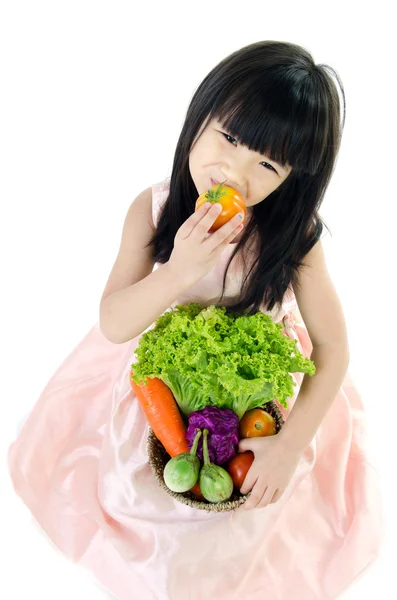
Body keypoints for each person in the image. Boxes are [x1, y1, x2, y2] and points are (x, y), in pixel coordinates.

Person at [8, 40, 384, 600]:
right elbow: (114, 322)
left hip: (255, 399)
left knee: (250, 524)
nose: (233, 170)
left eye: (267, 163)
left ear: (293, 179)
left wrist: (290, 445)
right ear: (199, 116)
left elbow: (333, 350)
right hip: (167, 386)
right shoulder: (153, 208)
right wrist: (180, 270)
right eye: (229, 137)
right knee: (146, 507)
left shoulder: (293, 239)